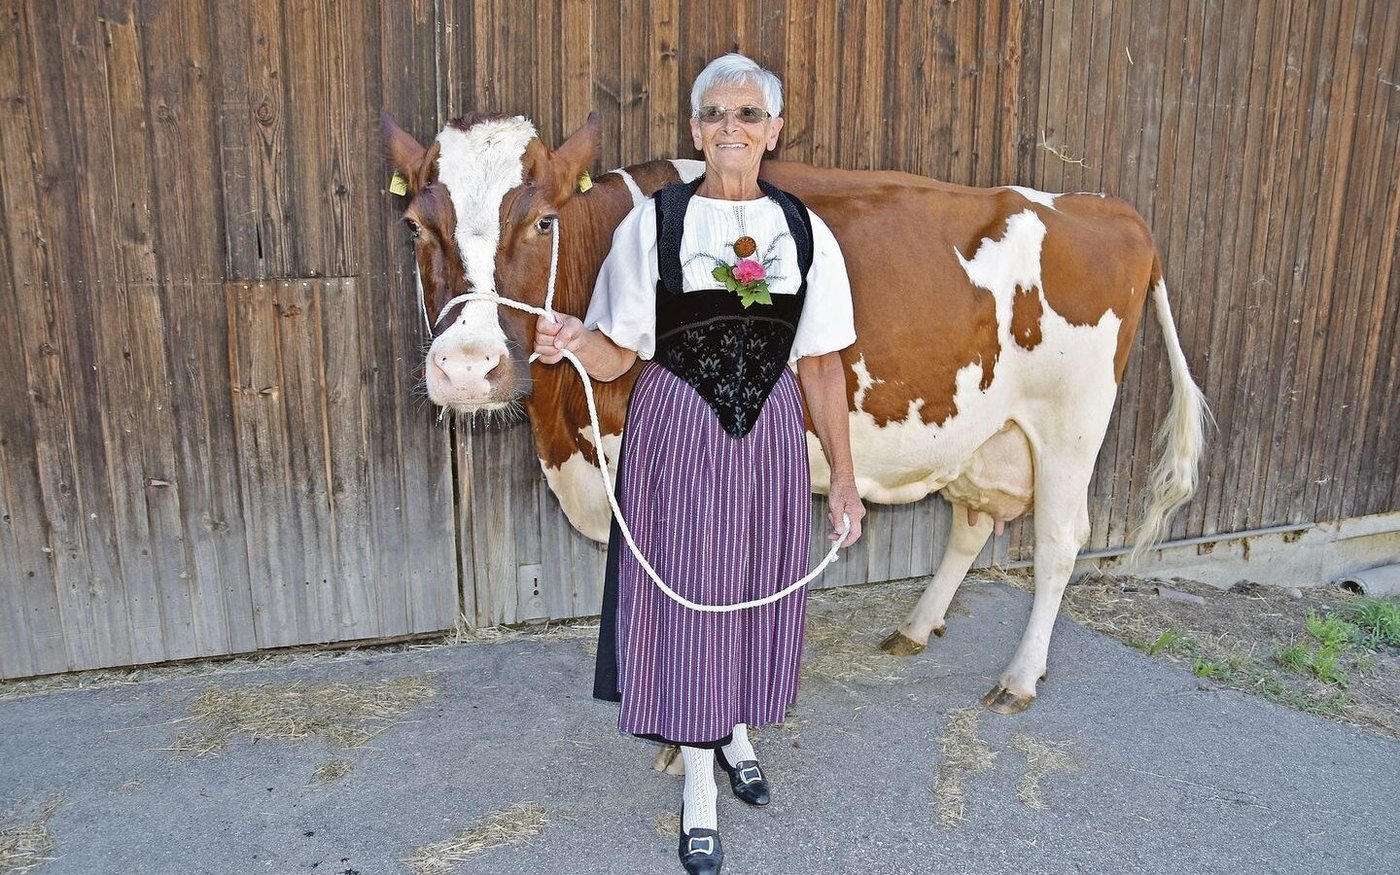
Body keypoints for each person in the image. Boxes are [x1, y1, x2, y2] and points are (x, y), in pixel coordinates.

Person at [534, 52, 864, 875]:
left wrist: (847, 482)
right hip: (678, 427)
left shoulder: (803, 232)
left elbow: (821, 365)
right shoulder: (654, 224)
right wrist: (576, 341)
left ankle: (738, 728)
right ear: (694, 130)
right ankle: (699, 787)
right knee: (689, 599)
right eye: (716, 113)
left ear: (774, 131)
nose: (732, 127)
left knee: (752, 581)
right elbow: (616, 355)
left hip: (771, 431)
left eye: (749, 114)